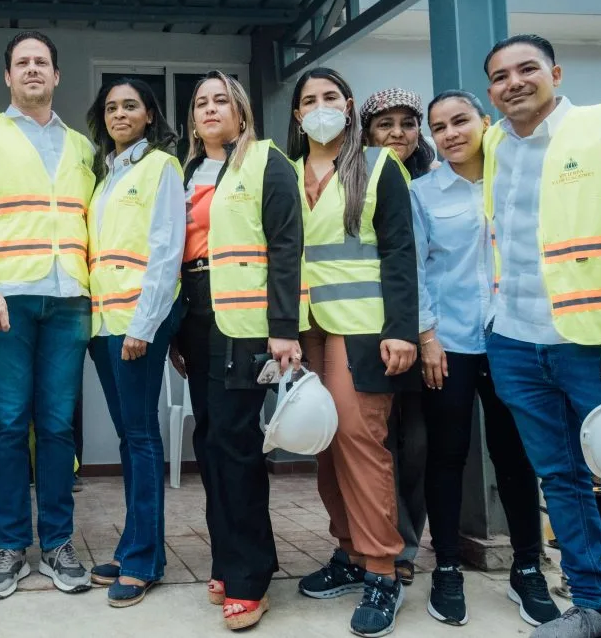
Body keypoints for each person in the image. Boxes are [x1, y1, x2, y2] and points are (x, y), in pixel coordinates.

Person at [481, 34, 601, 638]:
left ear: (555, 71)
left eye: (527, 69)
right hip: (517, 342)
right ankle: (594, 606)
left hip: (599, 346)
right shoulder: (497, 141)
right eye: (500, 77)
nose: (514, 83)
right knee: (560, 477)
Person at [0, 30, 94, 599]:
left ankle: (57, 542)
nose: (32, 69)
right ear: (7, 77)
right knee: (9, 425)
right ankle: (10, 544)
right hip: (5, 298)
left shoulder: (82, 146)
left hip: (69, 301)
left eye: (42, 62)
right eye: (21, 63)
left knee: (57, 427)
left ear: (56, 76)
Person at [414, 89, 559, 627]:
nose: (450, 133)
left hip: (512, 339)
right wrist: (428, 337)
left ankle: (527, 569)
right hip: (449, 344)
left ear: (483, 122)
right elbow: (420, 271)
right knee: (447, 455)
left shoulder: (515, 179)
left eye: (460, 121)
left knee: (516, 456)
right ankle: (447, 567)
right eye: (439, 126)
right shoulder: (423, 192)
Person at [167, 71, 302, 630]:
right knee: (210, 440)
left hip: (245, 323)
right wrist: (174, 330)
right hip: (195, 317)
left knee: (237, 442)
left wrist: (284, 326)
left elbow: (286, 243)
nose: (210, 109)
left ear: (241, 111)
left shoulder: (266, 161)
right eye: (201, 102)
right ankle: (228, 558)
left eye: (221, 100)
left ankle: (250, 578)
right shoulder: (184, 171)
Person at [288, 67, 419, 638]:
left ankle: (383, 570)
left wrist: (402, 330)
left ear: (348, 105)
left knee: (359, 442)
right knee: (320, 441)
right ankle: (348, 553)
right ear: (297, 116)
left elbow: (399, 251)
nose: (320, 107)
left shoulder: (380, 165)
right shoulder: (287, 173)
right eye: (308, 100)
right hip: (303, 326)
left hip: (363, 327)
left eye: (330, 97)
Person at [83, 78, 184, 608]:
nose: (119, 113)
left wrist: (145, 325)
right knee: (130, 438)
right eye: (111, 107)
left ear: (149, 115)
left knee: (141, 438)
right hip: (104, 324)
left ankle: (143, 560)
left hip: (135, 324)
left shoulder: (161, 167)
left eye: (130, 106)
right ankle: (135, 549)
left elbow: (167, 251)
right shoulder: (107, 176)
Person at [359, 87, 434, 586]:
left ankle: (407, 543)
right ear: (366, 133)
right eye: (385, 124)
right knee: (378, 441)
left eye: (407, 123)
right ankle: (384, 542)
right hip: (372, 328)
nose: (397, 134)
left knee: (418, 442)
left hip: (428, 332)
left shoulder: (432, 183)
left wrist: (422, 331)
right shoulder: (360, 179)